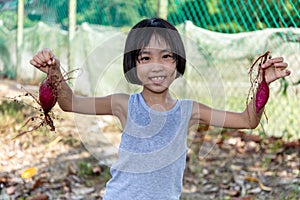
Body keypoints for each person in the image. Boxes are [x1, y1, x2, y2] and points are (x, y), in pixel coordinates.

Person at [30, 18, 291, 200]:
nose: (157, 66)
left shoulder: (190, 111)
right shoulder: (124, 104)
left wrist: (263, 85)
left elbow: (248, 119)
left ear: (178, 64)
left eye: (166, 56)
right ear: (133, 64)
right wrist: (55, 72)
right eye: (146, 58)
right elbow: (70, 103)